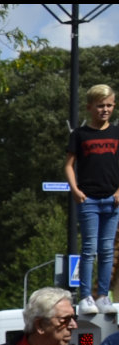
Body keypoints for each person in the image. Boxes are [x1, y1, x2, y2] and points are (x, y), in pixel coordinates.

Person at [65, 83, 118, 314]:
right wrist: (75, 190)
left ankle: (103, 295)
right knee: (89, 249)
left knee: (107, 249)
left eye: (108, 105)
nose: (104, 110)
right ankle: (86, 296)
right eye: (100, 106)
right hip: (89, 201)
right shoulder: (80, 135)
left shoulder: (117, 133)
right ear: (89, 107)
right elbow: (68, 165)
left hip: (112, 200)